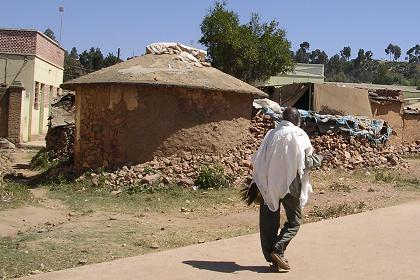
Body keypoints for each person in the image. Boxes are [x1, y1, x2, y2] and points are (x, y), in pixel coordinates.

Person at [245, 107, 325, 272]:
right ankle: (278, 248)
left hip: (268, 185)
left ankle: (273, 258)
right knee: (294, 221)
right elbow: (305, 162)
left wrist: (257, 183)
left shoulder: (270, 135)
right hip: (290, 185)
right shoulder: (299, 134)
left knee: (268, 223)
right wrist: (321, 158)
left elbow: (259, 160)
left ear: (283, 119)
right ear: (297, 120)